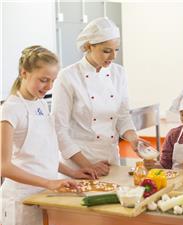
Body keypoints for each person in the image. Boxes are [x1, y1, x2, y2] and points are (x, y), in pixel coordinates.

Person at [1, 45, 93, 225]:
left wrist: (72, 172)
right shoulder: (10, 110)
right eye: (43, 80)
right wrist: (49, 182)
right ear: (23, 73)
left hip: (44, 194)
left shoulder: (40, 103)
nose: (49, 86)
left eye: (53, 80)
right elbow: (4, 167)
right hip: (21, 199)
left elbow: (42, 152)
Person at [52, 17, 142, 177]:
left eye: (117, 49)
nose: (113, 56)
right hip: (78, 163)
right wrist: (88, 165)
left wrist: (134, 140)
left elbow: (122, 116)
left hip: (110, 159)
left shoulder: (118, 73)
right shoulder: (68, 76)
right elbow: (59, 129)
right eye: (107, 50)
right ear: (88, 46)